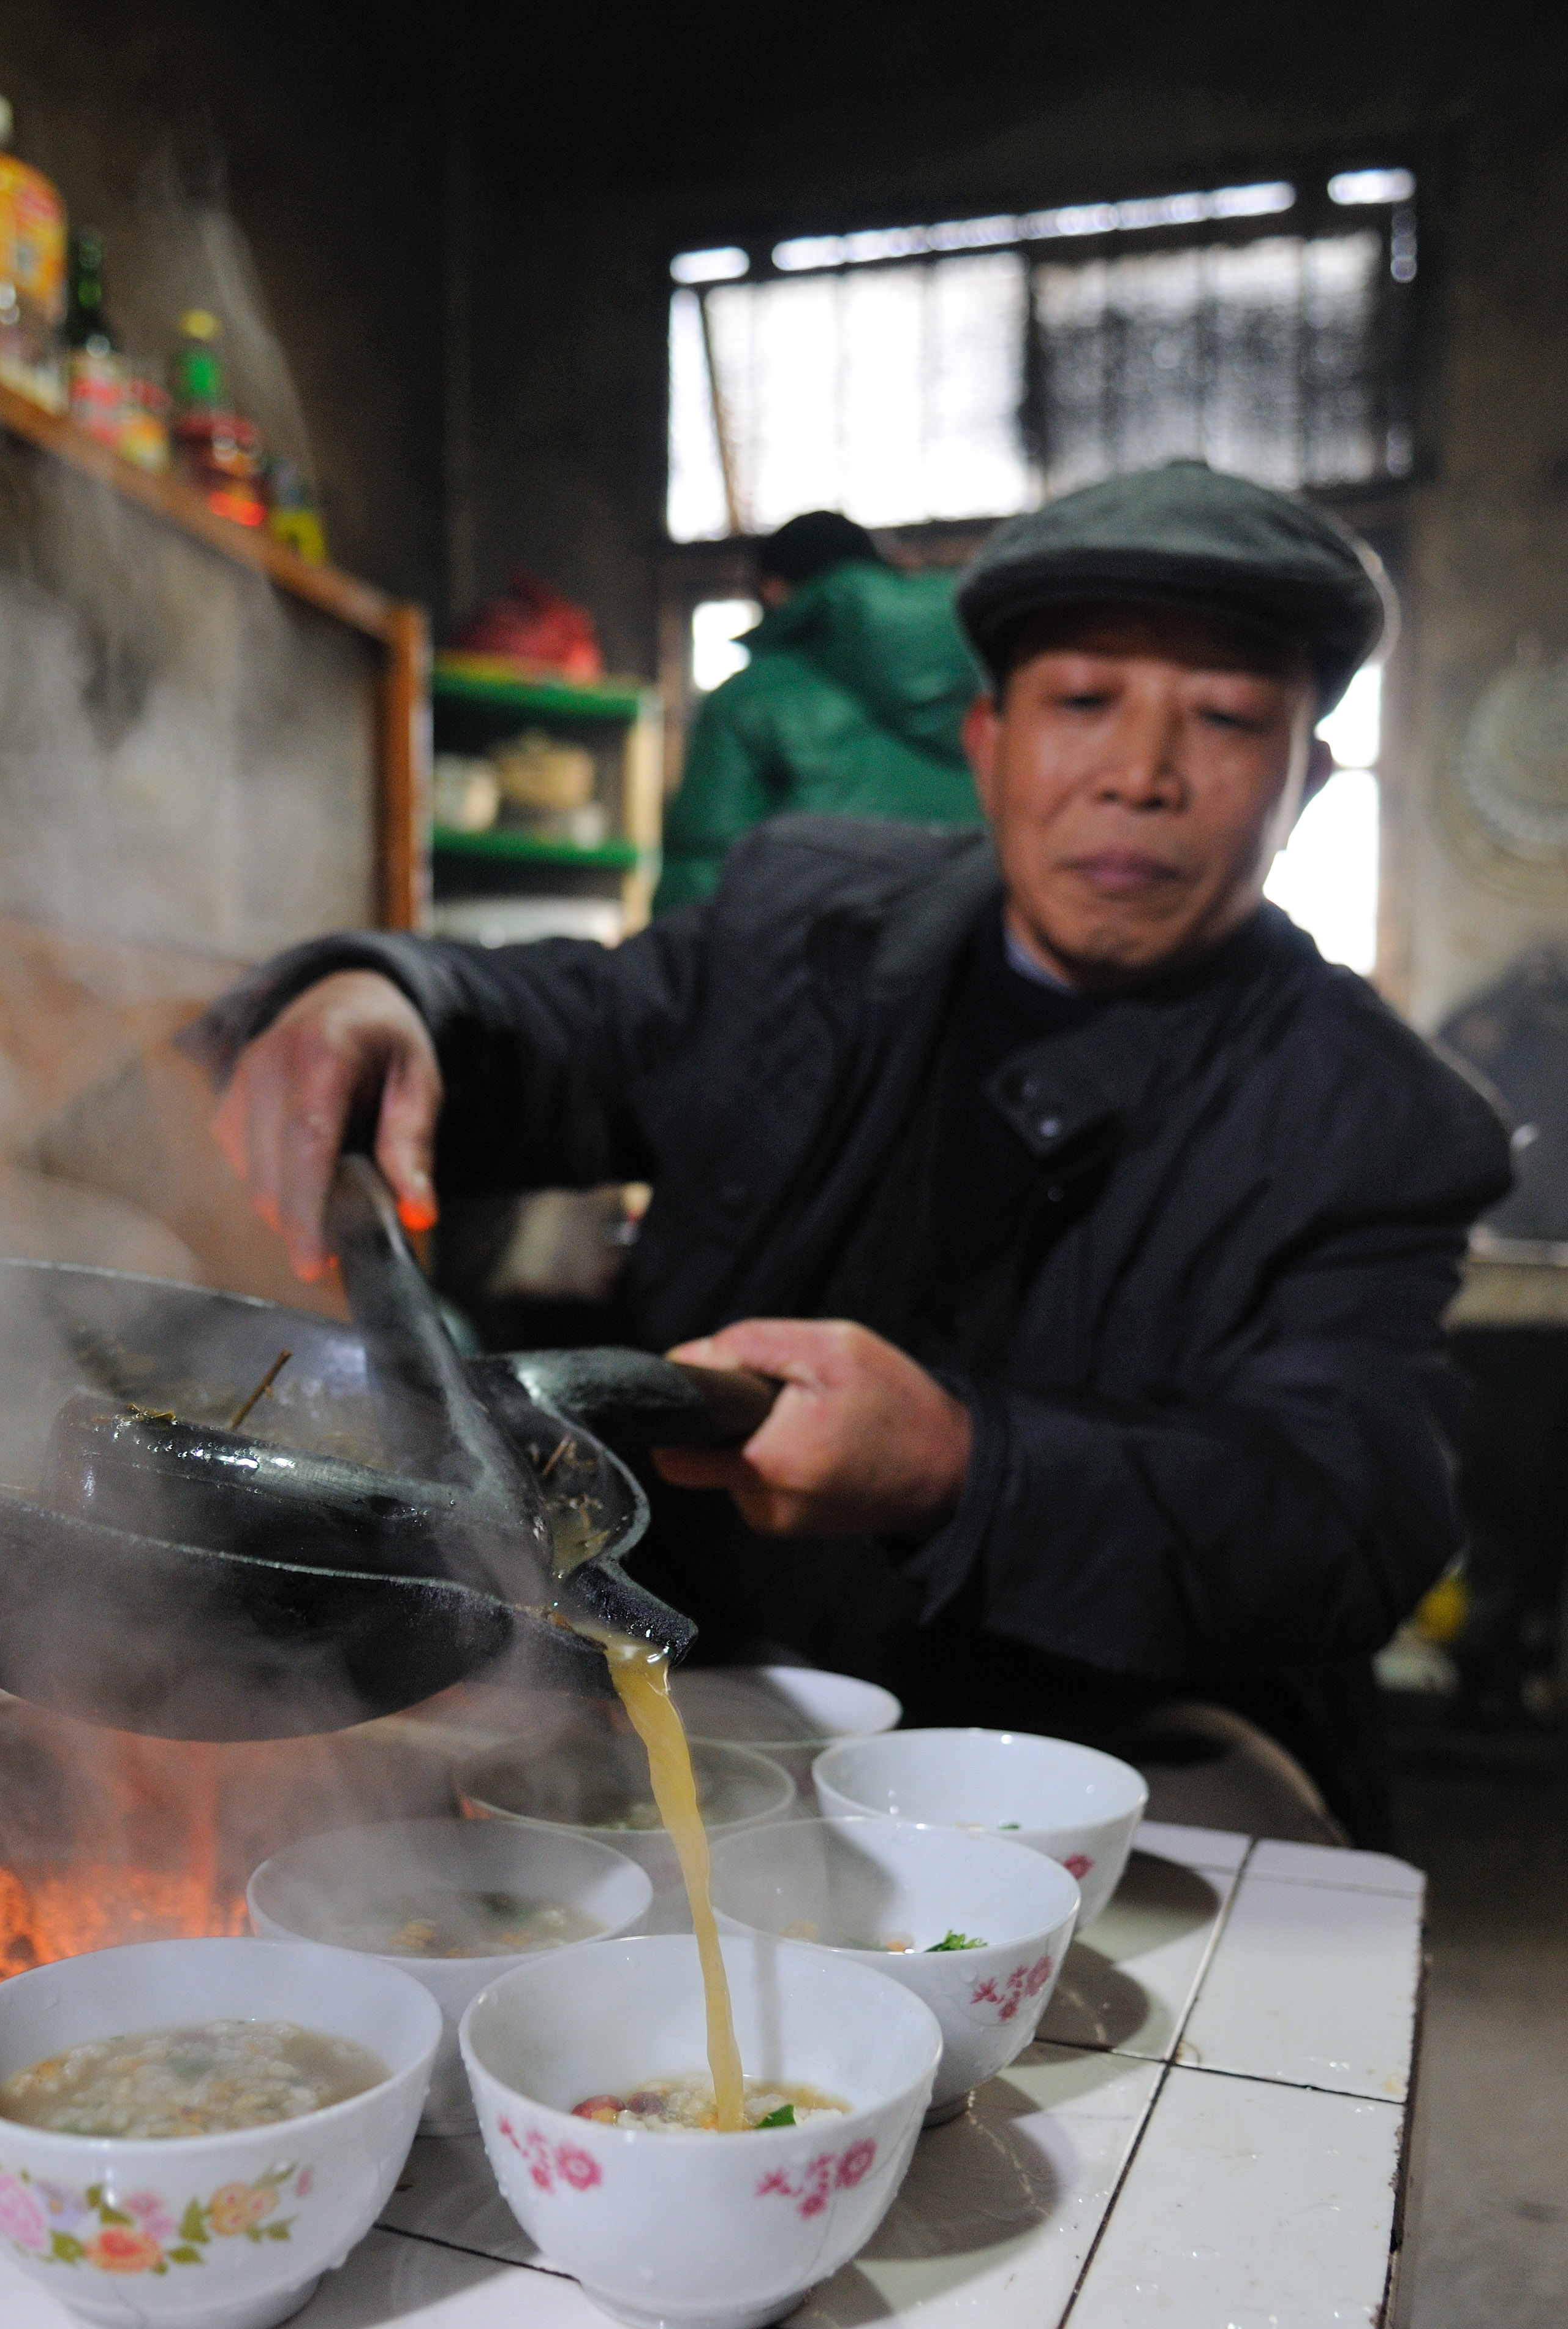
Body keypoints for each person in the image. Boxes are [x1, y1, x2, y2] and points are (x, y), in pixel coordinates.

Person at [188, 462, 1513, 1847]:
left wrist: (962, 1459)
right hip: (717, 1677)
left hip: (1101, 1756)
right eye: (1078, 703)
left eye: (1226, 718)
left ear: (1302, 775)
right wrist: (393, 997)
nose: (1138, 774)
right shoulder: (799, 917)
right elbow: (571, 1021)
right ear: (986, 739)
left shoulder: (1376, 1120)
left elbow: (1341, 1523)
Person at [657, 509, 981, 913]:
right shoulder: (978, 680)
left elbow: (702, 872)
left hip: (808, 960)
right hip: (962, 949)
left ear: (773, 590)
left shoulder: (751, 699)